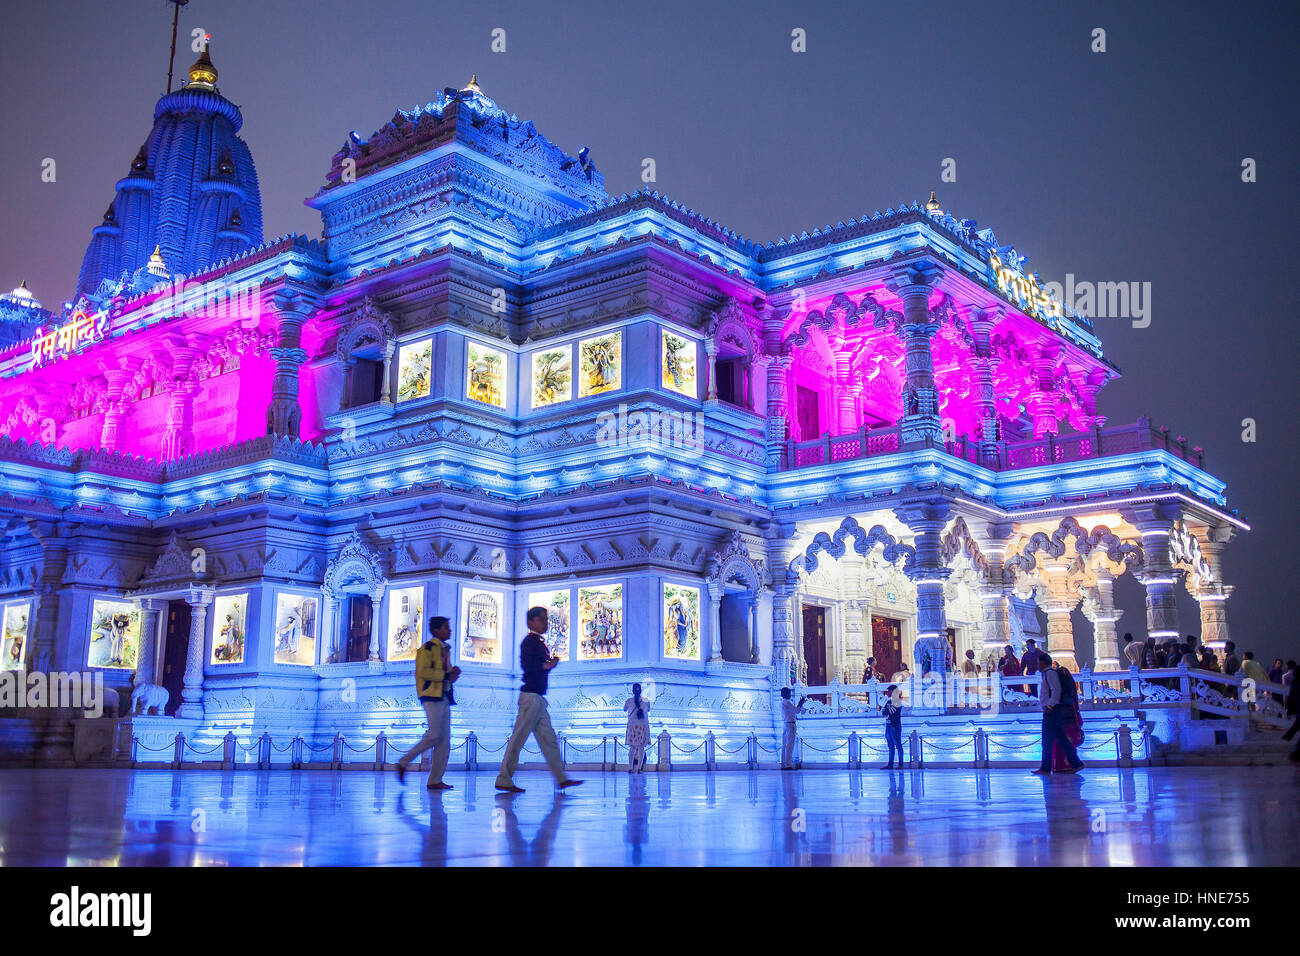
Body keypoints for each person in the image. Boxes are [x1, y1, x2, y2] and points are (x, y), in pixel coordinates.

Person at [495, 606, 583, 793]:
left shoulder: (538, 642)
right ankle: (503, 778)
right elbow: (529, 666)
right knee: (518, 739)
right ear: (531, 622)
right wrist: (548, 665)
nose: (546, 623)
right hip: (530, 698)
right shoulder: (530, 642)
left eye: (546, 619)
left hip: (538, 699)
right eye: (542, 619)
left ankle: (561, 778)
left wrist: (548, 664)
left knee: (549, 739)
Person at [397, 616, 461, 789]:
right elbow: (424, 672)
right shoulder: (427, 648)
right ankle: (403, 762)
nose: (449, 631)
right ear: (437, 630)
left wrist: (451, 674)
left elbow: (443, 672)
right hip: (431, 695)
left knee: (444, 741)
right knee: (434, 735)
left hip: (444, 696)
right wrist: (447, 675)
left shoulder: (444, 649)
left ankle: (435, 779)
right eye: (446, 627)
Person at [1032, 652, 1084, 775]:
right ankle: (1076, 763)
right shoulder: (1047, 673)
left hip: (1052, 711)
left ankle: (1046, 768)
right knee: (1060, 739)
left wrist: (1050, 705)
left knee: (1047, 740)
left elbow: (1057, 689)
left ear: (1043, 663)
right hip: (1052, 711)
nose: (1037, 665)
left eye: (1038, 663)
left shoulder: (1050, 673)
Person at [1051, 659, 1084, 771]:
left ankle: (1060, 766)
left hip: (1060, 719)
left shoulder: (1058, 689)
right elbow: (1075, 705)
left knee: (1059, 743)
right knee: (1069, 742)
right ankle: (1069, 764)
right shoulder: (1070, 690)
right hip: (1070, 720)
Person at [624, 682, 651, 773]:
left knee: (632, 748)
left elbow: (624, 709)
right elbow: (648, 710)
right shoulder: (646, 700)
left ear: (632, 691)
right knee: (641, 748)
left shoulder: (629, 700)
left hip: (632, 725)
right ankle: (639, 768)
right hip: (642, 726)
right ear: (641, 691)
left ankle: (630, 768)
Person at [780, 687, 806, 770]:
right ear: (786, 694)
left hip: (785, 724)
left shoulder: (782, 702)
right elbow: (796, 711)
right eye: (789, 693)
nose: (790, 695)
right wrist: (800, 703)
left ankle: (784, 764)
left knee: (785, 745)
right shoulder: (787, 702)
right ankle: (788, 764)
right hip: (790, 724)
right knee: (789, 745)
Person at [881, 684, 904, 769]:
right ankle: (890, 764)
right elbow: (884, 712)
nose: (888, 692)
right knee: (890, 745)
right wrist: (888, 710)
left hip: (895, 725)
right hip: (888, 724)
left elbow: (891, 711)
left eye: (889, 691)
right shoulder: (889, 702)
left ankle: (900, 764)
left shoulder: (898, 702)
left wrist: (887, 710)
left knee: (897, 744)